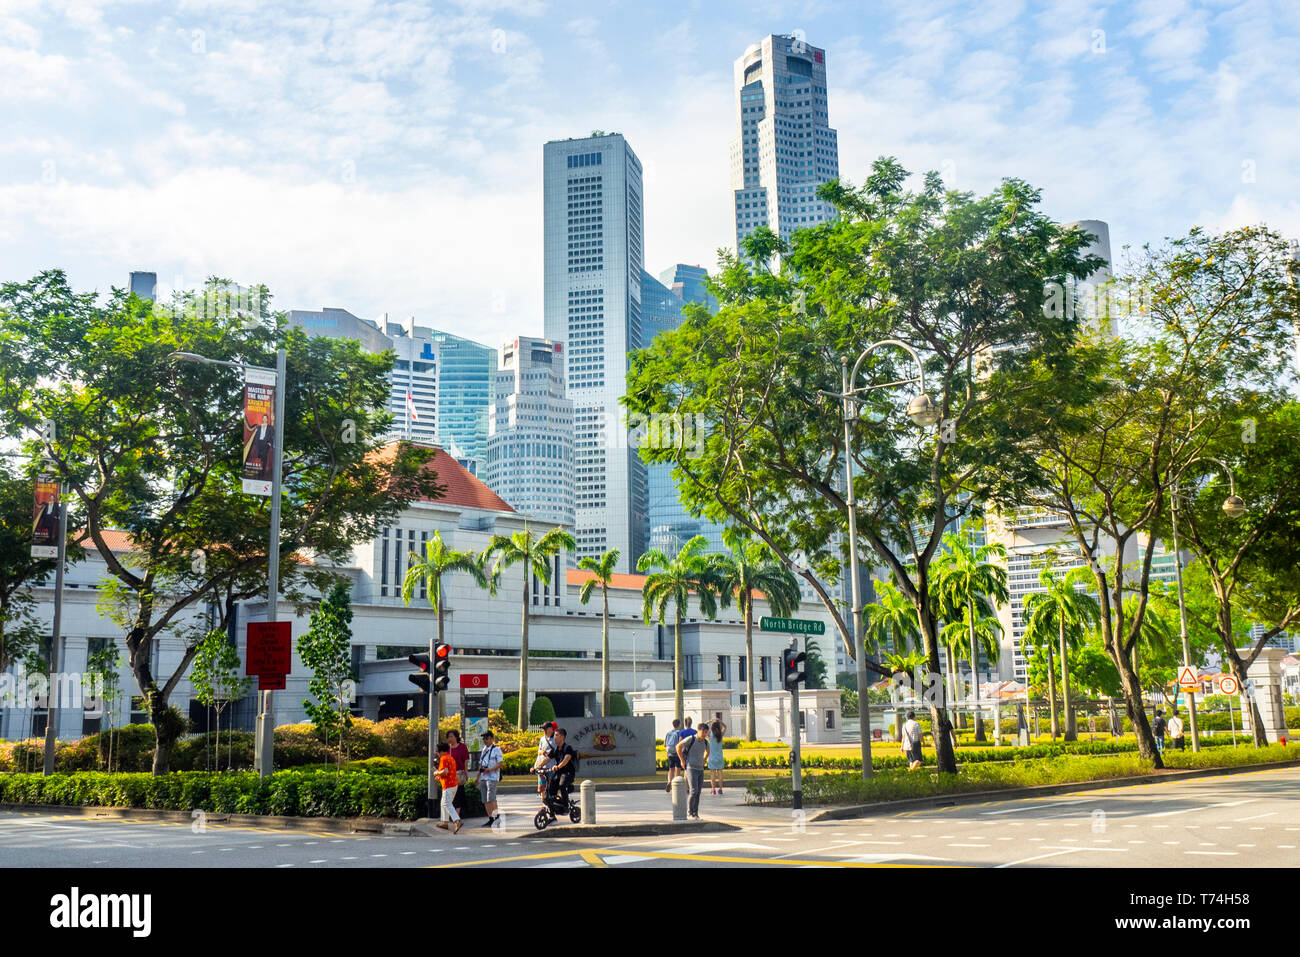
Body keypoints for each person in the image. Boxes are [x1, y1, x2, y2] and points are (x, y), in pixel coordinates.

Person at [677, 720, 708, 819]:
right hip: (691, 768)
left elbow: (708, 751)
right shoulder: (691, 739)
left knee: (698, 792)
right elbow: (678, 746)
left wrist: (704, 759)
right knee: (693, 791)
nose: (704, 734)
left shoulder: (705, 742)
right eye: (703, 732)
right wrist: (682, 760)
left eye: (706, 732)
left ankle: (696, 813)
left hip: (700, 769)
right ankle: (690, 813)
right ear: (698, 731)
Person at [476, 730, 504, 827]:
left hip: (492, 777)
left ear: (492, 739)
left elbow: (500, 763)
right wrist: (477, 778)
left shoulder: (496, 749)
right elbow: (481, 764)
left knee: (491, 798)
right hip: (483, 777)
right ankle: (490, 819)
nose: (485, 740)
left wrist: (490, 769)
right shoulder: (484, 749)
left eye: (487, 738)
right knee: (485, 800)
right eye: (483, 738)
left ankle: (496, 818)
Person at [434, 742, 462, 834]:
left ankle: (457, 820)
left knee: (447, 804)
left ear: (440, 751)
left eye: (437, 751)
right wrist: (440, 776)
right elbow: (448, 772)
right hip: (454, 784)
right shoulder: (450, 758)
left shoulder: (444, 758)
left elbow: (444, 771)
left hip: (448, 785)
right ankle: (445, 822)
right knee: (443, 803)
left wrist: (436, 773)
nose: (437, 753)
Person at [546, 727, 578, 807]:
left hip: (568, 773)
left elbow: (566, 759)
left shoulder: (568, 748)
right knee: (551, 786)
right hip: (559, 773)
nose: (554, 737)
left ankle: (565, 804)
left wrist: (557, 766)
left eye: (556, 735)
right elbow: (547, 759)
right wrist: (536, 767)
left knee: (562, 785)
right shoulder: (555, 749)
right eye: (554, 735)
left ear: (562, 737)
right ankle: (554, 805)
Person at [446, 730, 470, 815]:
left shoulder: (462, 747)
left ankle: (457, 814)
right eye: (449, 736)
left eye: (452, 736)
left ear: (456, 737)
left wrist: (466, 773)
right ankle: (454, 815)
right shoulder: (447, 748)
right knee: (450, 796)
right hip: (449, 776)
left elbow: (466, 760)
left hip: (459, 774)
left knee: (459, 794)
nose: (450, 738)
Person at [532, 720, 557, 795]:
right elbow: (539, 752)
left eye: (545, 729)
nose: (544, 731)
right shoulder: (542, 739)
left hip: (551, 767)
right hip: (541, 768)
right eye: (543, 729)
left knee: (552, 786)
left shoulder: (555, 739)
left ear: (550, 729)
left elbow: (555, 753)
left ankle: (553, 802)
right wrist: (542, 752)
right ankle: (544, 804)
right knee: (542, 788)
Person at [707, 719, 726, 795]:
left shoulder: (709, 734)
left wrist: (709, 721)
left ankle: (713, 790)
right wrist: (720, 721)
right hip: (719, 757)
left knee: (712, 774)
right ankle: (720, 789)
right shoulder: (721, 734)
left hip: (711, 757)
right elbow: (725, 726)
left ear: (712, 728)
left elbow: (702, 725)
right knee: (720, 774)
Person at [664, 719, 682, 792]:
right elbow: (680, 744)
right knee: (677, 768)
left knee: (671, 769)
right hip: (677, 754)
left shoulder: (668, 733)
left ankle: (669, 781)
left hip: (670, 754)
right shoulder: (679, 733)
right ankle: (675, 784)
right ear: (679, 725)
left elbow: (665, 744)